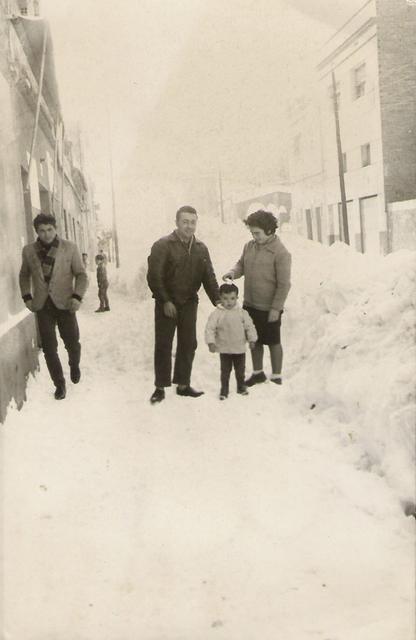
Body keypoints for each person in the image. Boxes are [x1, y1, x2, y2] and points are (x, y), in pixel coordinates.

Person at [147, 205, 220, 404]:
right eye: (185, 222)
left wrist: (219, 301)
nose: (189, 226)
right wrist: (165, 300)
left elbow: (209, 278)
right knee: (163, 344)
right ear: (177, 223)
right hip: (167, 303)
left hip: (189, 302)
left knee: (188, 343)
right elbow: (154, 277)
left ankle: (183, 384)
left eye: (192, 222)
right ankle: (160, 387)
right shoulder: (163, 245)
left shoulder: (200, 248)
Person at [19, 213, 88, 400]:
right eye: (42, 231)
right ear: (37, 232)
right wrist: (27, 297)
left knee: (72, 343)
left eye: (50, 229)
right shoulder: (29, 251)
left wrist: (77, 296)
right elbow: (24, 275)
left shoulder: (70, 248)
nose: (47, 234)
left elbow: (81, 275)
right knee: (50, 348)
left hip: (66, 304)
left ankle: (74, 364)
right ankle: (59, 384)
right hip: (42, 306)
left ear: (55, 229)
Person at [222, 209, 291, 387]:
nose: (254, 236)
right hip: (250, 304)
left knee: (274, 341)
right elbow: (241, 264)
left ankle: (276, 376)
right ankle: (258, 373)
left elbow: (284, 285)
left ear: (269, 230)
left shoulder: (281, 253)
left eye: (257, 233)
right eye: (252, 233)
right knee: (255, 340)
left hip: (269, 308)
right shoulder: (249, 246)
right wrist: (232, 272)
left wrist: (276, 308)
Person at [205, 283, 258, 400]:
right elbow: (210, 328)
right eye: (225, 298)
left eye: (232, 298)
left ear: (237, 298)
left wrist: (252, 339)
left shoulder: (241, 313)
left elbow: (249, 326)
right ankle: (224, 389)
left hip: (239, 348)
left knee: (240, 370)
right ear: (220, 298)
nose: (229, 302)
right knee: (225, 371)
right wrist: (211, 342)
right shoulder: (217, 314)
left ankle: (241, 386)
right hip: (224, 349)